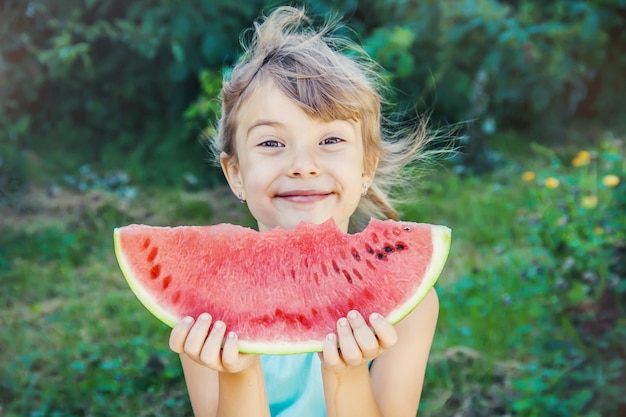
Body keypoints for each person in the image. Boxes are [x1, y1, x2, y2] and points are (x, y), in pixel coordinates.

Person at [168, 6, 440, 417]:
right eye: (272, 144)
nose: (303, 164)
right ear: (236, 173)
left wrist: (346, 374)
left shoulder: (413, 305)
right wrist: (238, 372)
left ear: (366, 168)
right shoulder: (202, 299)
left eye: (330, 140)